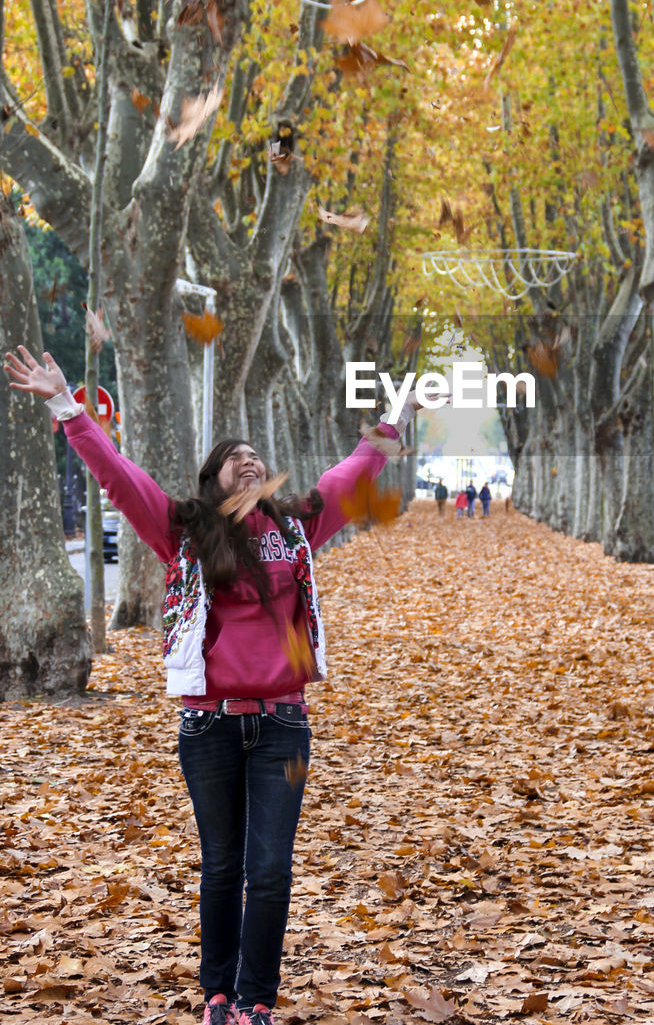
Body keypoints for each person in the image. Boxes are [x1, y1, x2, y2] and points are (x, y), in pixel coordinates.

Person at [4, 346, 420, 1025]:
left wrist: (389, 425)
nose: (250, 461)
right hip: (209, 727)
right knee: (223, 866)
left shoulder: (295, 526)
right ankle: (218, 996)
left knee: (272, 871)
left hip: (283, 724)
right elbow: (120, 477)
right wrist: (66, 407)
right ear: (213, 477)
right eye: (235, 457)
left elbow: (347, 479)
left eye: (257, 456)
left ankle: (256, 1000)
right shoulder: (185, 532)